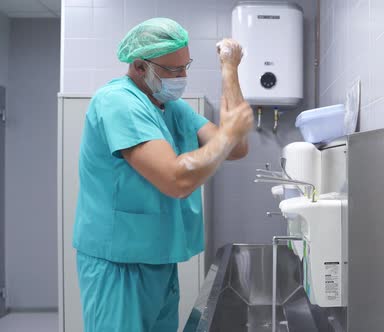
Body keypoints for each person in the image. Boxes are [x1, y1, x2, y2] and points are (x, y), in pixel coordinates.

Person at [72, 17, 253, 331]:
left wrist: (229, 69)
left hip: (157, 259)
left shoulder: (171, 107)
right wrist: (227, 136)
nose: (182, 77)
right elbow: (175, 179)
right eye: (173, 70)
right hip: (119, 266)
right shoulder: (119, 103)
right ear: (140, 67)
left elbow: (236, 148)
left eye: (186, 66)